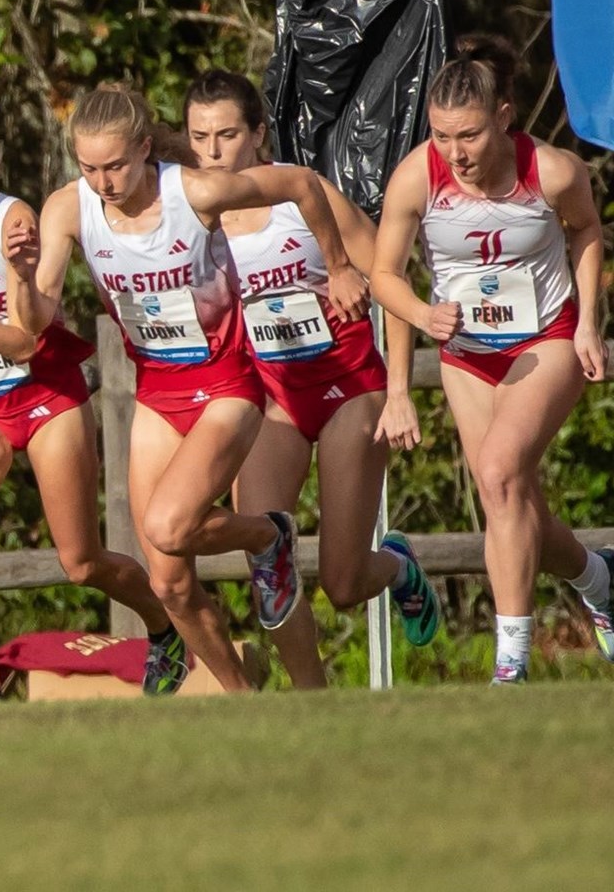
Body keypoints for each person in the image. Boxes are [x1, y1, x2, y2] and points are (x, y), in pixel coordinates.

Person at [34, 86, 368, 692]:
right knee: (167, 581)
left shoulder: (196, 192)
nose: (103, 182)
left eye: (115, 166)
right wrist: (14, 270)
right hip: (158, 392)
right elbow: (37, 317)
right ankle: (242, 702)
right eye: (88, 168)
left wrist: (341, 264)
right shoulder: (66, 209)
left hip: (227, 388)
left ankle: (270, 534)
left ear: (143, 149)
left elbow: (299, 185)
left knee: (166, 526)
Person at [0, 103, 183, 703]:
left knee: (81, 562)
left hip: (45, 397)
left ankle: (165, 629)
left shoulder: (13, 223)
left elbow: (24, 343)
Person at [183, 71, 441, 688]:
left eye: (227, 135)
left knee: (344, 583)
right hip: (271, 400)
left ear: (258, 135)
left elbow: (392, 278)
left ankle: (399, 568)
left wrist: (399, 390)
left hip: (348, 386)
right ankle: (312, 699)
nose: (214, 152)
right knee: (267, 562)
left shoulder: (306, 197)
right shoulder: (191, 220)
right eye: (200, 137)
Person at [369, 35, 612, 684]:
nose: (457, 153)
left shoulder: (552, 171)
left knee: (502, 472)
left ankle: (510, 664)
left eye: (470, 136)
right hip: (466, 355)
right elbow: (383, 275)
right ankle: (600, 578)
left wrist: (590, 323)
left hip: (546, 341)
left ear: (504, 115)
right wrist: (422, 320)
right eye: (443, 136)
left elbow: (587, 231)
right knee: (509, 496)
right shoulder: (416, 176)